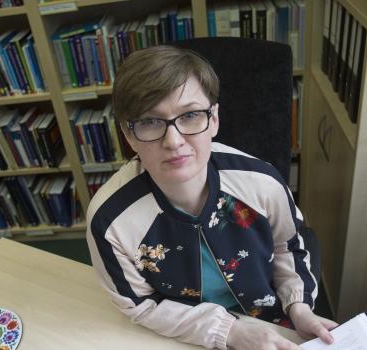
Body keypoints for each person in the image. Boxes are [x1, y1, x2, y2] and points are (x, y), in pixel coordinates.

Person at [86, 45, 337, 350]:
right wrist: (230, 332)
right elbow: (141, 304)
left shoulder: (263, 182)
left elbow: (289, 245)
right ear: (128, 134)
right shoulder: (109, 221)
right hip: (183, 332)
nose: (174, 141)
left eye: (190, 115)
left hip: (271, 322)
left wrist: (298, 308)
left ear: (214, 119)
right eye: (150, 122)